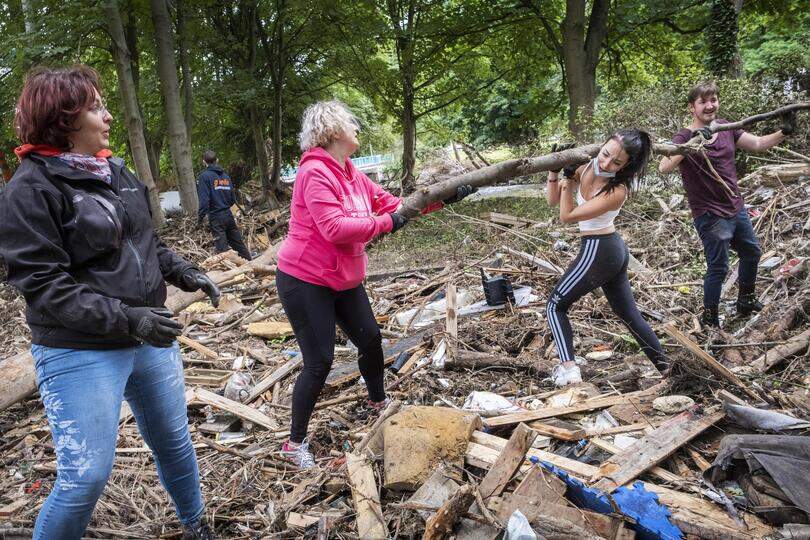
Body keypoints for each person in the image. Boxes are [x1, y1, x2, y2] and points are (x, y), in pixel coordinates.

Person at [0, 65, 220, 540]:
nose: (108, 117)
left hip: (148, 335)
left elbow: (144, 243)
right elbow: (45, 285)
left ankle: (196, 525)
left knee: (174, 443)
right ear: (64, 119)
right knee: (85, 477)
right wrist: (128, 319)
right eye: (96, 107)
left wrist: (184, 271)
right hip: (77, 349)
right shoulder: (29, 189)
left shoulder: (113, 169)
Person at [275, 100, 475, 468]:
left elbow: (394, 206)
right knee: (319, 361)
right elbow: (334, 228)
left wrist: (443, 200)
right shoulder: (315, 173)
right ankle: (294, 444)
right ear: (334, 131)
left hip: (342, 278)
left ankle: (377, 401)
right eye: (352, 124)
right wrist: (387, 224)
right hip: (305, 279)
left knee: (369, 339)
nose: (357, 130)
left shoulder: (351, 173)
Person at [659, 82, 794, 327]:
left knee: (751, 252)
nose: (710, 106)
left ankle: (746, 300)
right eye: (703, 102)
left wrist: (784, 132)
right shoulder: (684, 136)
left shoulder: (725, 127)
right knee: (719, 267)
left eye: (714, 100)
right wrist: (693, 142)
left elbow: (757, 144)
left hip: (735, 206)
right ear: (692, 107)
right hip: (710, 215)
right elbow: (664, 167)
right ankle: (710, 317)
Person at [545, 131, 669, 386]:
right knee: (629, 315)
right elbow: (552, 200)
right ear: (600, 147)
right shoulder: (587, 165)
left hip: (600, 249)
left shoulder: (618, 190)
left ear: (626, 166)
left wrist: (568, 178)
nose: (606, 164)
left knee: (555, 305)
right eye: (605, 154)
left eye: (616, 162)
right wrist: (554, 169)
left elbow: (567, 216)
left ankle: (570, 371)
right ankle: (668, 371)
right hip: (609, 250)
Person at [196, 150, 252, 261]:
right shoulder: (226, 177)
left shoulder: (204, 177)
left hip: (216, 217)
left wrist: (200, 218)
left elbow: (204, 201)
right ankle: (251, 265)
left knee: (222, 250)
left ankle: (230, 273)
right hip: (228, 215)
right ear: (217, 160)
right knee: (238, 245)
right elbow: (232, 199)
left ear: (204, 162)